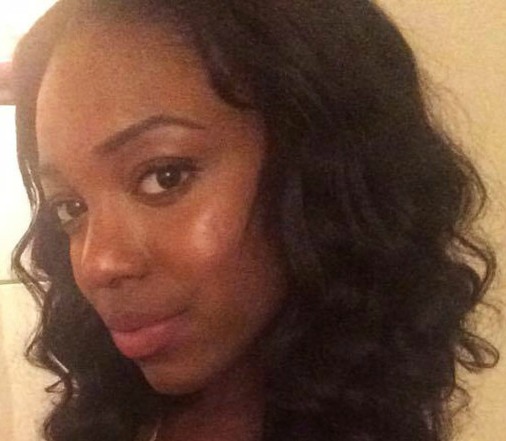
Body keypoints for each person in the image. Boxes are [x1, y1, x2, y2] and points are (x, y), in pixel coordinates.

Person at [11, 1, 498, 440]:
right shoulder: (114, 418)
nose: (98, 263)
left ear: (322, 169)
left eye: (164, 176)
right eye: (70, 207)